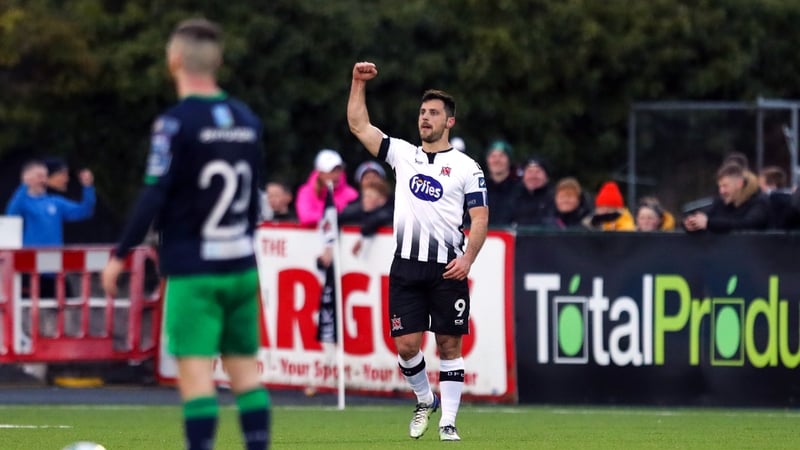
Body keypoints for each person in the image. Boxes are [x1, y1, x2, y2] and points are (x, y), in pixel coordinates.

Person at [99, 18, 270, 450]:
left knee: (197, 380)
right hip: (241, 266)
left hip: (194, 271)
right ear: (219, 61)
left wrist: (121, 253)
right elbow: (254, 200)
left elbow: (154, 194)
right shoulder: (247, 119)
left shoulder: (175, 123)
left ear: (174, 60)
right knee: (246, 376)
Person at [348, 61, 489, 442]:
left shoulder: (466, 168)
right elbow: (360, 126)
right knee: (407, 346)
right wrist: (358, 83)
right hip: (406, 267)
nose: (425, 118)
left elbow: (479, 217)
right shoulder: (403, 155)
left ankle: (449, 423)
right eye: (422, 112)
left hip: (446, 268)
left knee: (449, 345)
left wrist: (469, 258)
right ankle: (425, 400)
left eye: (433, 113)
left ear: (449, 122)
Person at [5, 160, 96, 247]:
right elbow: (11, 216)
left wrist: (87, 187)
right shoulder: (22, 202)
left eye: (45, 176)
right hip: (30, 257)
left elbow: (85, 211)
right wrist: (24, 186)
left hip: (54, 256)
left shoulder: (56, 202)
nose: (43, 180)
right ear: (26, 178)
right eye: (39, 176)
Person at [683, 162, 769, 233]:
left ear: (740, 184)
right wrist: (692, 224)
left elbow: (748, 224)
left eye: (725, 186)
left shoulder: (759, 202)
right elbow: (707, 218)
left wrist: (709, 223)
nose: (721, 191)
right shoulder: (721, 203)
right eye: (720, 187)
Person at [295, 148, 358, 226]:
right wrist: (333, 217)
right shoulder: (306, 192)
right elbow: (306, 217)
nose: (336, 175)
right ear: (320, 173)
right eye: (331, 171)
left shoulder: (351, 194)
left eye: (339, 170)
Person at [509, 156, 555, 227]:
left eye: (538, 172)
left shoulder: (555, 198)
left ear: (546, 176)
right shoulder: (514, 197)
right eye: (529, 171)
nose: (533, 176)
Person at [483, 140, 518, 226]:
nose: (497, 160)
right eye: (493, 156)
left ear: (509, 160)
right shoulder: (478, 188)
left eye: (502, 156)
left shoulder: (519, 189)